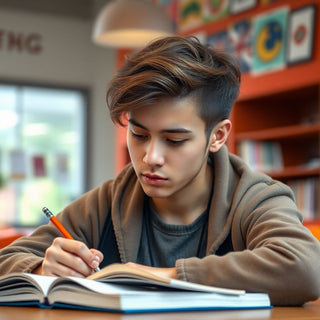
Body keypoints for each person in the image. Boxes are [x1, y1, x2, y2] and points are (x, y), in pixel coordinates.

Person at [0, 36, 319, 306]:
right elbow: (7, 261)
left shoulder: (253, 197)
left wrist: (158, 277)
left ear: (217, 136)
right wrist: (42, 268)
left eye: (174, 140)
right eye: (138, 135)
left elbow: (306, 267)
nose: (150, 157)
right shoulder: (109, 200)